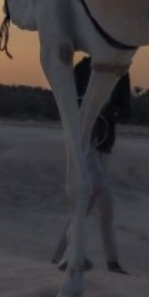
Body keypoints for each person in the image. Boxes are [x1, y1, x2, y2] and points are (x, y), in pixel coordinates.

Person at [51, 55, 132, 274]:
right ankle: (97, 259)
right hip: (85, 144)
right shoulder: (83, 68)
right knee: (101, 198)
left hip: (105, 146)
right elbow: (69, 99)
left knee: (89, 207)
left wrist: (110, 112)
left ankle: (61, 255)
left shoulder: (121, 69)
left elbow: (125, 106)